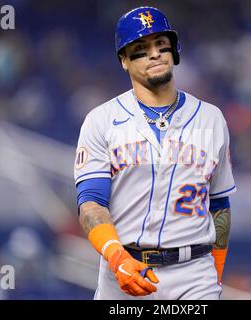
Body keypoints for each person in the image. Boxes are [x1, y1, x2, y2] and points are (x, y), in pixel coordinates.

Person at [74, 6, 236, 299]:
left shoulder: (211, 119)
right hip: (124, 269)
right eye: (140, 48)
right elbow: (91, 204)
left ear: (174, 50)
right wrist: (116, 257)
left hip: (194, 273)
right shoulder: (101, 120)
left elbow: (220, 205)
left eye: (161, 44)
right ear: (124, 61)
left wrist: (216, 273)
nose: (154, 53)